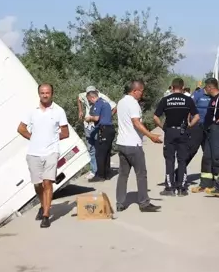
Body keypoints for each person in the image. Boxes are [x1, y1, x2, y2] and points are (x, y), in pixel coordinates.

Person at [17, 83, 69, 228]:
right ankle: (42, 205)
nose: (45, 95)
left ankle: (46, 215)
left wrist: (51, 138)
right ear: (38, 94)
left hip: (51, 152)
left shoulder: (59, 111)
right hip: (34, 153)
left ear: (52, 94)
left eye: (47, 93)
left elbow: (65, 133)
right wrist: (33, 138)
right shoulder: (31, 111)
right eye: (42, 93)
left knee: (47, 182)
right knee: (38, 184)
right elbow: (21, 128)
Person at [115, 80, 162, 212]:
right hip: (133, 145)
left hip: (122, 143)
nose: (142, 94)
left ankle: (120, 203)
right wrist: (151, 135)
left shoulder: (121, 102)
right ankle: (144, 203)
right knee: (141, 174)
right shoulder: (133, 103)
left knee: (123, 175)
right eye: (141, 91)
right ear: (135, 90)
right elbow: (136, 122)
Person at [153, 78, 199, 196]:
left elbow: (155, 117)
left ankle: (169, 188)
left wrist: (163, 127)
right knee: (182, 160)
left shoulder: (166, 100)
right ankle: (182, 188)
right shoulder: (188, 100)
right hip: (183, 132)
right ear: (183, 87)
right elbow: (197, 116)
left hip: (170, 132)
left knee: (169, 160)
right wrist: (189, 126)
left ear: (172, 87)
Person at [191, 78, 219, 193]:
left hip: (218, 131)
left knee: (217, 157)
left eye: (206, 87)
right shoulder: (212, 99)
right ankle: (204, 184)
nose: (204, 90)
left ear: (210, 87)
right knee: (207, 157)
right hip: (209, 131)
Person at [77, 86, 116, 179]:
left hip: (99, 126)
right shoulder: (85, 96)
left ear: (94, 94)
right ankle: (95, 170)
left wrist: (106, 117)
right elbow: (78, 98)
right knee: (92, 148)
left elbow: (114, 107)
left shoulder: (101, 99)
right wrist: (80, 110)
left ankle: (101, 173)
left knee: (100, 150)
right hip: (89, 126)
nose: (89, 101)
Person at [187, 81, 212, 165]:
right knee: (192, 150)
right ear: (208, 87)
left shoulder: (213, 96)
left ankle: (208, 174)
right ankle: (180, 171)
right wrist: (188, 122)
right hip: (197, 126)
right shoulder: (197, 94)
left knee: (208, 152)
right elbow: (188, 108)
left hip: (208, 127)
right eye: (211, 88)